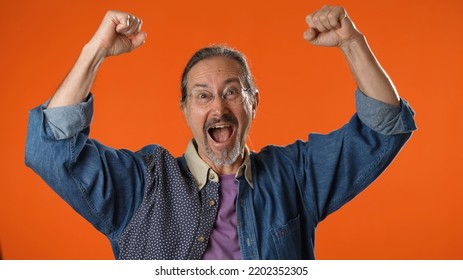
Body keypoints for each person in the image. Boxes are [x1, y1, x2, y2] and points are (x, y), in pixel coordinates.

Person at [25, 5, 416, 259]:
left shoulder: (294, 176)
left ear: (253, 103)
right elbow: (51, 149)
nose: (218, 107)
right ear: (185, 110)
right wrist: (95, 50)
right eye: (202, 95)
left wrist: (352, 42)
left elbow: (383, 127)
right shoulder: (141, 184)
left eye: (232, 92)